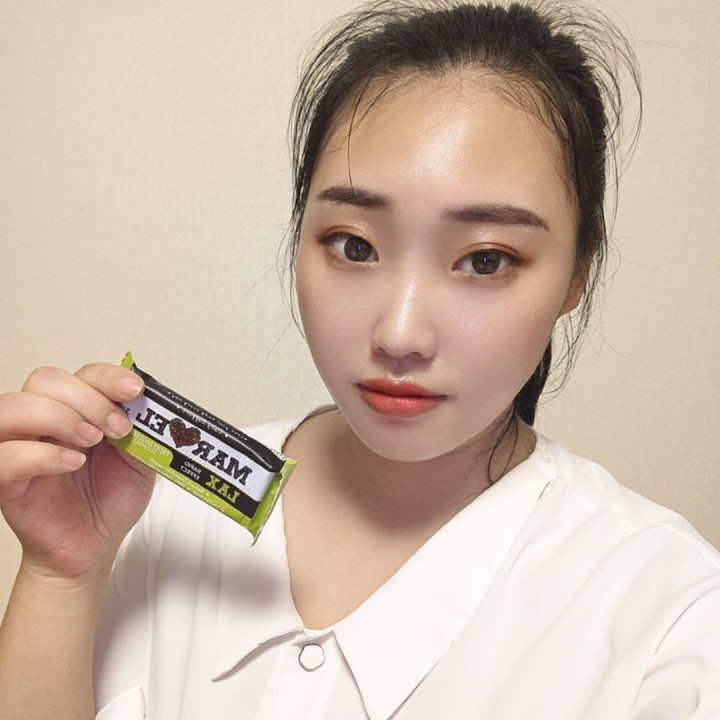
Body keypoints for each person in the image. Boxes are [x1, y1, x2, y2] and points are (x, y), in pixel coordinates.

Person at [0, 1, 718, 718]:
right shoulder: (157, 511)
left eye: (486, 259)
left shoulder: (672, 619)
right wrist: (61, 575)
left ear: (576, 273)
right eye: (355, 246)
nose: (400, 334)